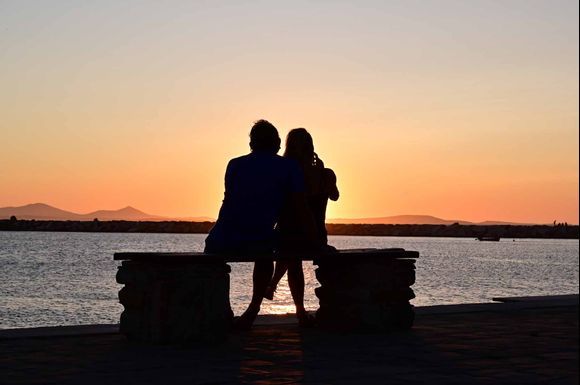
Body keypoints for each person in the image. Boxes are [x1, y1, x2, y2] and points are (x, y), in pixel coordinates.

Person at [205, 120, 316, 330]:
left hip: (221, 238)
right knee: (274, 251)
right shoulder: (289, 167)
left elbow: (230, 201)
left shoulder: (234, 164)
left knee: (214, 258)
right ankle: (254, 309)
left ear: (251, 143)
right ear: (277, 143)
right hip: (259, 238)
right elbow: (301, 208)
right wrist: (315, 239)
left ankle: (214, 309)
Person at [264, 128, 339, 326]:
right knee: (291, 251)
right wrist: (325, 176)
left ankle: (290, 301)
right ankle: (296, 309)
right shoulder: (325, 173)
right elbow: (335, 196)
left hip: (289, 235)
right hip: (316, 236)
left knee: (290, 252)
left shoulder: (284, 174)